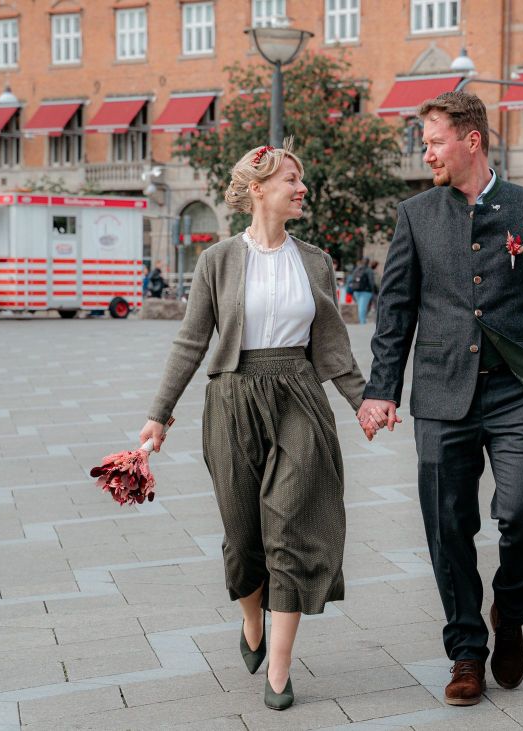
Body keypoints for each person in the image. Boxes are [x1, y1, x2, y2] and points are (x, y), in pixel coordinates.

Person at [356, 91, 523, 707]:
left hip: (518, 392)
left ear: (471, 140)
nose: (425, 152)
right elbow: (395, 312)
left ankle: (508, 615)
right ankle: (465, 651)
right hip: (441, 391)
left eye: (433, 141)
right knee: (448, 526)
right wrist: (380, 392)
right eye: (423, 142)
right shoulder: (416, 214)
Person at [139, 141, 380, 712]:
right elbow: (192, 341)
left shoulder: (316, 260)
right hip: (232, 398)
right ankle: (253, 621)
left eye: (301, 180)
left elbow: (333, 348)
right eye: (292, 180)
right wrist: (158, 414)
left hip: (298, 393)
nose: (302, 189)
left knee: (292, 526)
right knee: (243, 536)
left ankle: (279, 667)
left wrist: (363, 402)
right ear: (258, 188)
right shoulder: (217, 260)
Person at [349, 257, 376, 324]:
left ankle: (362, 321)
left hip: (356, 291)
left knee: (360, 307)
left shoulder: (357, 269)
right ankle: (362, 322)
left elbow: (352, 280)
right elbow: (371, 282)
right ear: (368, 262)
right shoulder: (369, 270)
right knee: (362, 307)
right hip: (366, 292)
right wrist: (373, 291)